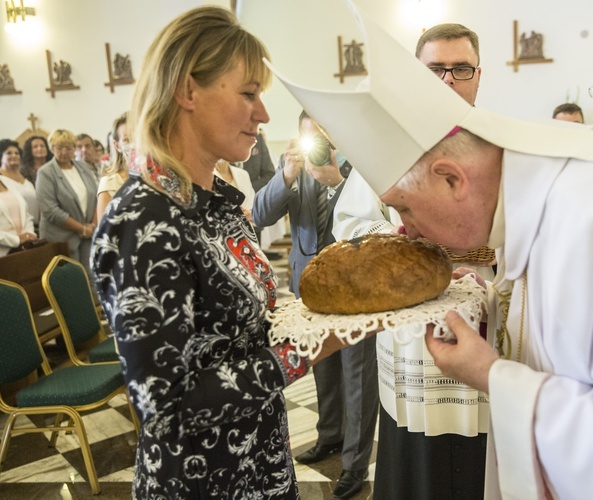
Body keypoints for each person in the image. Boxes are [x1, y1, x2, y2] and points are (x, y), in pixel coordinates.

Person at [268, 5, 593, 498]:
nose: (406, 234)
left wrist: (494, 376)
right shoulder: (551, 205)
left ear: (452, 178)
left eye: (405, 209)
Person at [91, 7, 378, 499]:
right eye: (248, 93)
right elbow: (166, 404)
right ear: (187, 91)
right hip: (202, 480)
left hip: (261, 462)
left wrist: (329, 319)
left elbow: (239, 332)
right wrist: (305, 351)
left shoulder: (216, 206)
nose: (264, 114)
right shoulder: (143, 219)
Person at [332, 22, 490, 500]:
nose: (448, 80)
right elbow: (352, 229)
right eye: (435, 69)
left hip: (488, 328)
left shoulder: (500, 143)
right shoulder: (383, 144)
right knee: (416, 464)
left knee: (482, 461)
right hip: (413, 338)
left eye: (461, 69)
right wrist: (419, 243)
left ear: (478, 76)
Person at [253, 111, 378, 500]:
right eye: (309, 136)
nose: (317, 144)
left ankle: (355, 464)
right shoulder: (292, 165)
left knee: (357, 374)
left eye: (323, 134)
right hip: (310, 285)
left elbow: (368, 218)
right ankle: (329, 437)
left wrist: (337, 183)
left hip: (354, 285)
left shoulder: (361, 163)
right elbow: (259, 214)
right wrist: (286, 177)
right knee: (321, 366)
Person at [36, 129, 97, 276]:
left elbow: (95, 196)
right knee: (72, 281)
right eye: (59, 148)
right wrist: (81, 229)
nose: (64, 152)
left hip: (87, 234)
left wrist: (92, 225)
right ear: (52, 149)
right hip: (61, 238)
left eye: (69, 148)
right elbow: (50, 210)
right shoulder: (46, 172)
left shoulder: (83, 167)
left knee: (91, 276)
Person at [96, 112, 130, 221]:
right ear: (117, 146)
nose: (135, 145)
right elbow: (104, 229)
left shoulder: (160, 178)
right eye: (127, 140)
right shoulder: (110, 183)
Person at [0, 139, 38, 226]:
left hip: (32, 226)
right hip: (10, 228)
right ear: (1, 157)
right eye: (9, 153)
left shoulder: (27, 180)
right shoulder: (1, 179)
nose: (14, 155)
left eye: (17, 153)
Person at [0, 174, 36, 257]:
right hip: (3, 254)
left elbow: (26, 214)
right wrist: (17, 240)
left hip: (24, 248)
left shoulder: (6, 180)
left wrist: (29, 233)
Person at [214, 158, 255, 224]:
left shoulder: (243, 174)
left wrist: (250, 215)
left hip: (246, 229)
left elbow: (251, 204)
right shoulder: (207, 175)